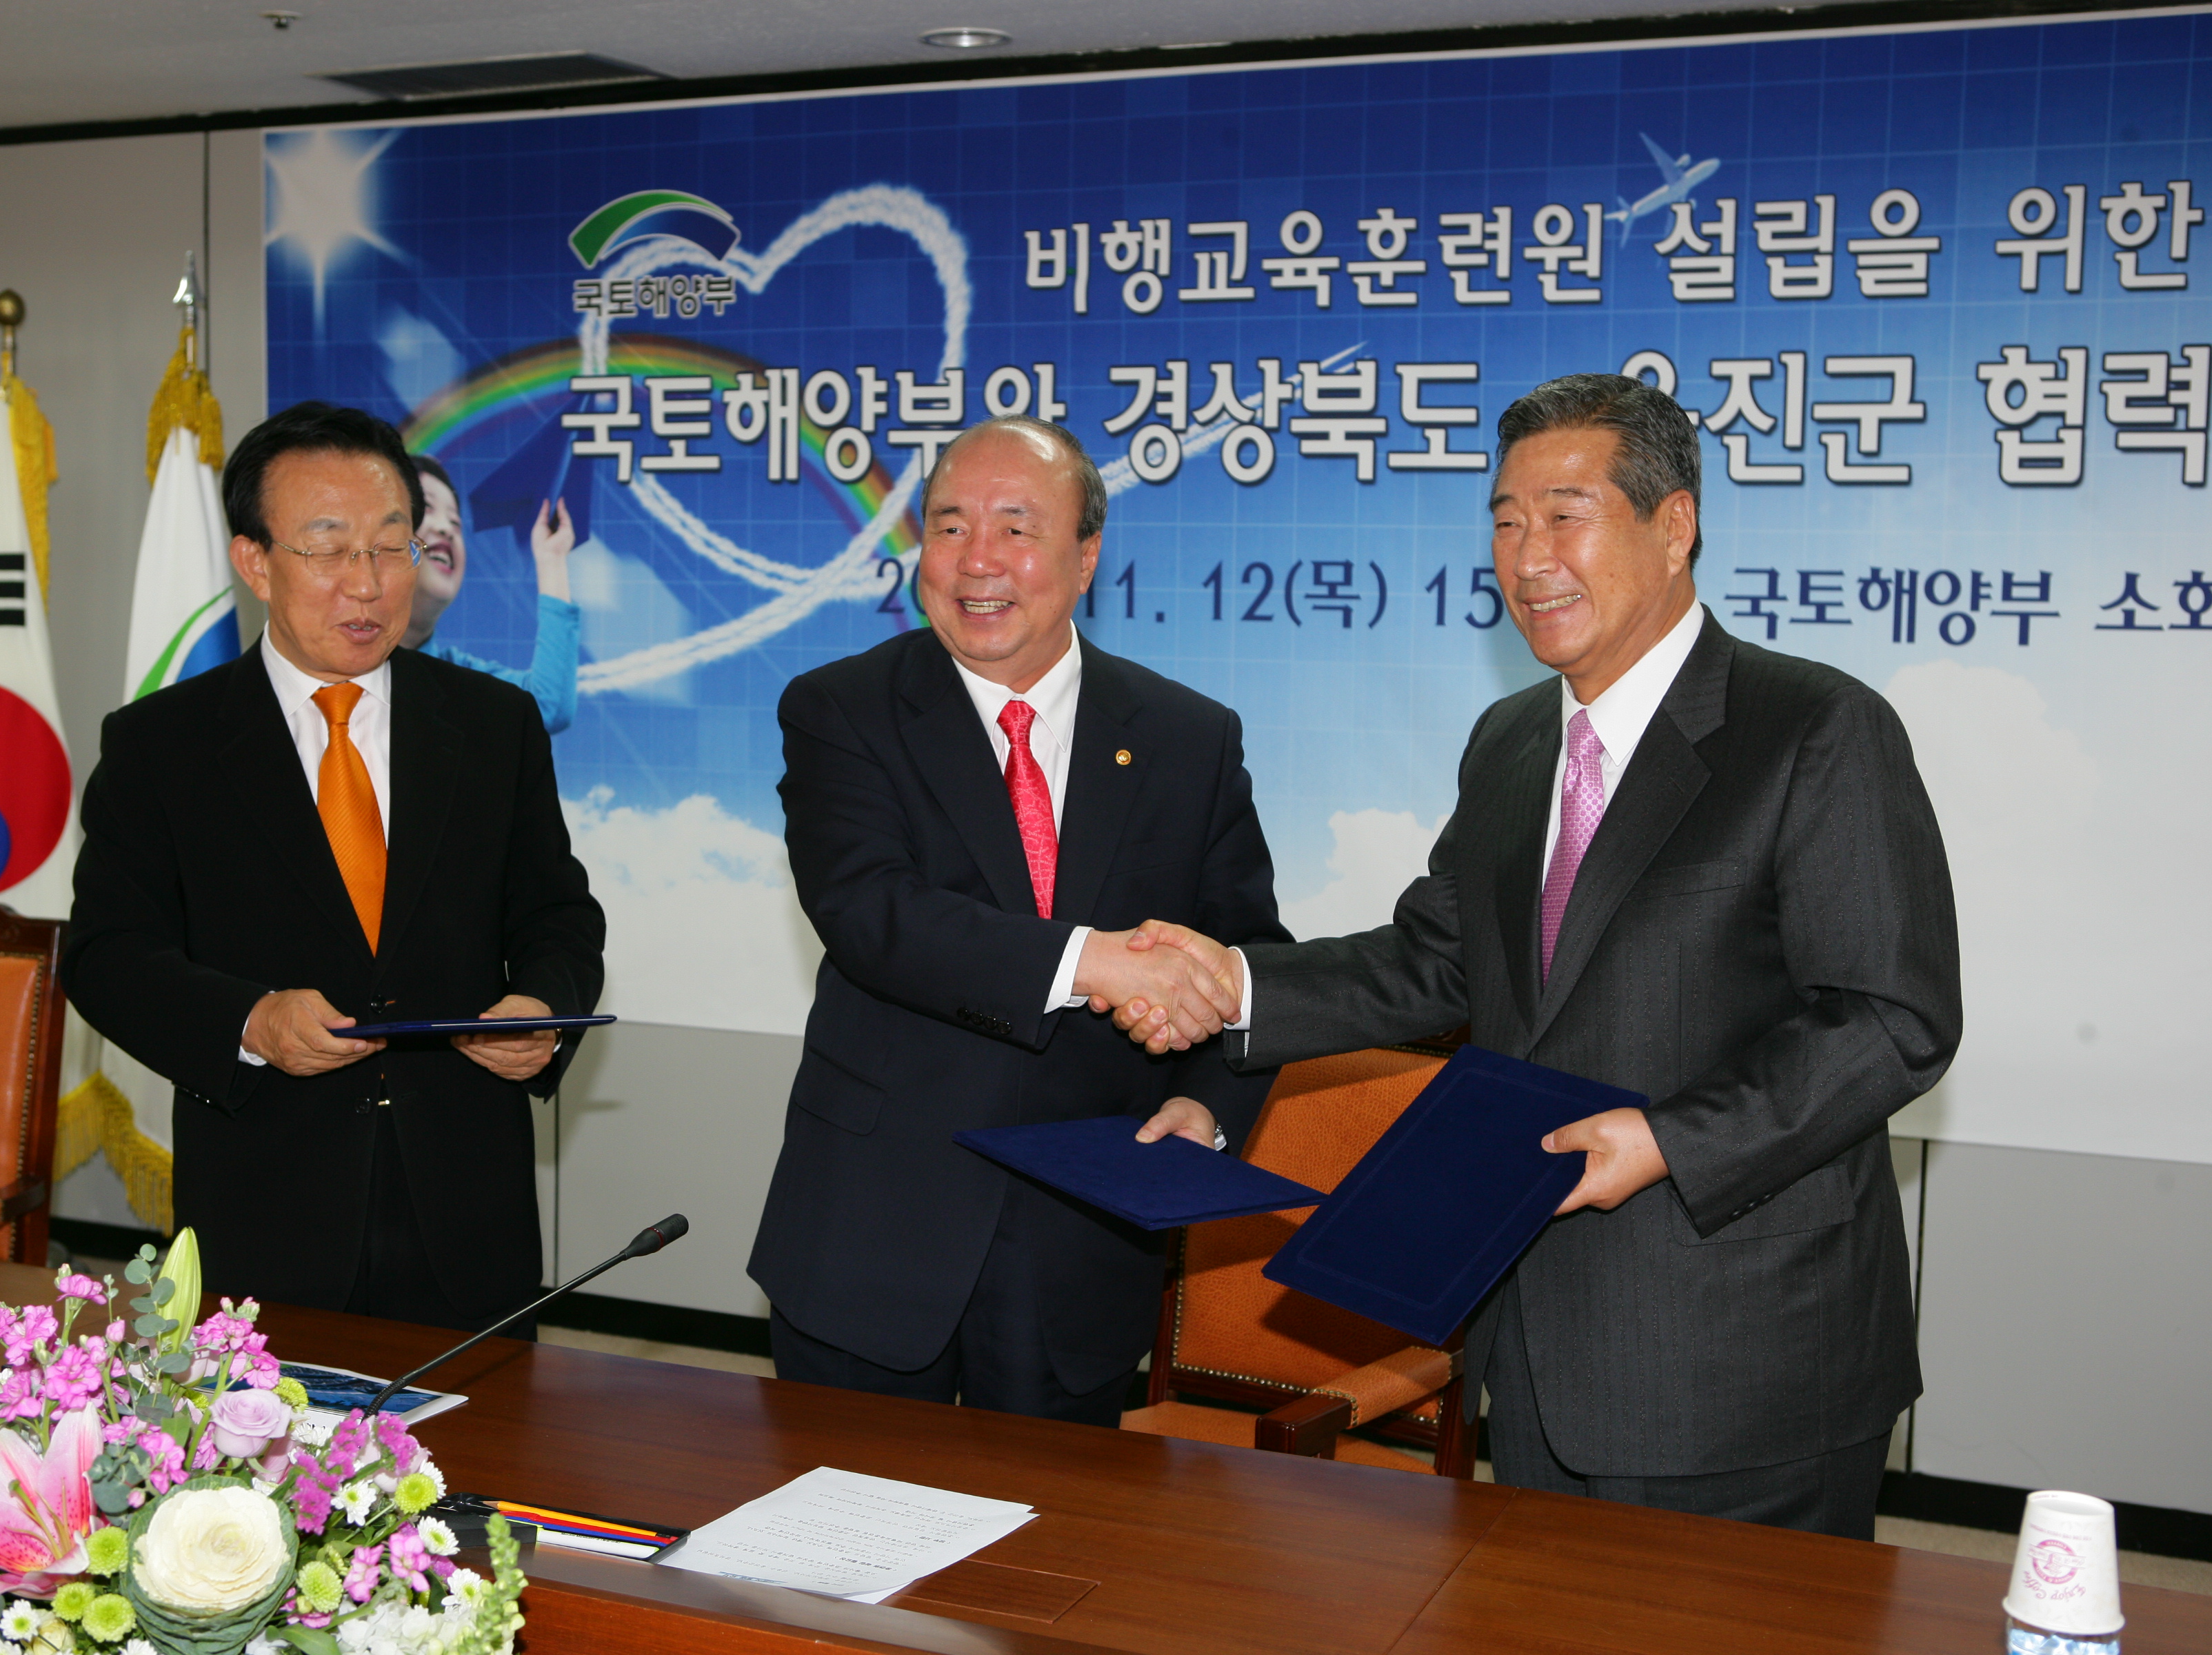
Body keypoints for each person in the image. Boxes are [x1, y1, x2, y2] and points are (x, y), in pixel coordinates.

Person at [1113, 374, 1960, 1536]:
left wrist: (1671, 1139)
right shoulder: (1512, 742)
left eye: (1566, 512)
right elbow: (1435, 962)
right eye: (1506, 521)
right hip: (1546, 1346)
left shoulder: (1813, 728)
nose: (1528, 555)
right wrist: (1231, 982)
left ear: (1676, 525)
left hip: (1749, 1364)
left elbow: (1889, 1017)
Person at [747, 415, 1292, 1425]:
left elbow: (1247, 953)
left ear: (1087, 556)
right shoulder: (842, 709)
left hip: (1081, 1244)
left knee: (1045, 1566)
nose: (976, 561)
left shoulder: (1187, 738)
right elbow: (872, 914)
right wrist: (1096, 964)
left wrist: (1209, 1107)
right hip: (876, 1230)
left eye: (1016, 527)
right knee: (832, 1559)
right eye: (949, 527)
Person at [64, 401, 605, 1331]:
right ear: (255, 562)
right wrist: (249, 1020)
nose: (368, 584)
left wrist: (541, 1009)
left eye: (390, 547)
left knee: (489, 1471)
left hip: (468, 1219)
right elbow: (107, 955)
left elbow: (558, 917)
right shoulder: (164, 745)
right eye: (328, 549)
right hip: (266, 1217)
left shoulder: (491, 726)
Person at [407, 453, 583, 736]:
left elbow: (548, 707)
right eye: (427, 508)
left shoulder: (456, 680)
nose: (446, 529)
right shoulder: (335, 661)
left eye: (456, 523)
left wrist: (551, 559)